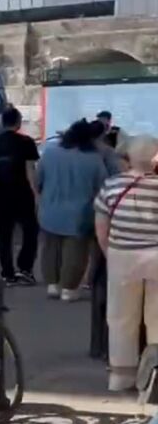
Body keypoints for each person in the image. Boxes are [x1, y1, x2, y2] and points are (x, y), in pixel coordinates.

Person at [94, 135, 158, 391]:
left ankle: (121, 377)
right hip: (157, 255)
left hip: (122, 256)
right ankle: (155, 378)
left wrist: (111, 254)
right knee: (156, 318)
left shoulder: (111, 185)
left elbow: (101, 229)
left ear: (128, 158)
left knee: (121, 318)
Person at [38, 119, 109, 302]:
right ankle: (69, 288)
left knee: (50, 248)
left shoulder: (50, 153)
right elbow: (102, 186)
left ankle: (52, 284)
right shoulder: (93, 159)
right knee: (75, 252)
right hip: (80, 213)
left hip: (49, 209)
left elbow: (39, 179)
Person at [0, 106, 41, 285]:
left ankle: (7, 274)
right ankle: (25, 269)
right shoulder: (26, 142)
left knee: (4, 236)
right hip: (22, 196)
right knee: (30, 232)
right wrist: (36, 195)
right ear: (17, 122)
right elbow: (30, 171)